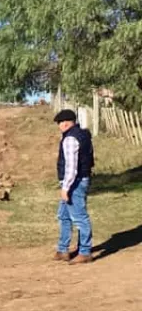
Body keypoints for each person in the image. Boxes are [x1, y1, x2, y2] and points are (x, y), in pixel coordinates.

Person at [54, 109, 94, 264]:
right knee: (64, 215)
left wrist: (65, 187)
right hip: (79, 179)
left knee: (79, 217)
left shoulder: (70, 139)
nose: (60, 126)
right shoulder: (83, 135)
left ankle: (85, 252)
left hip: (74, 182)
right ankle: (63, 249)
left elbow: (71, 167)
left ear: (66, 123)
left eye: (60, 122)